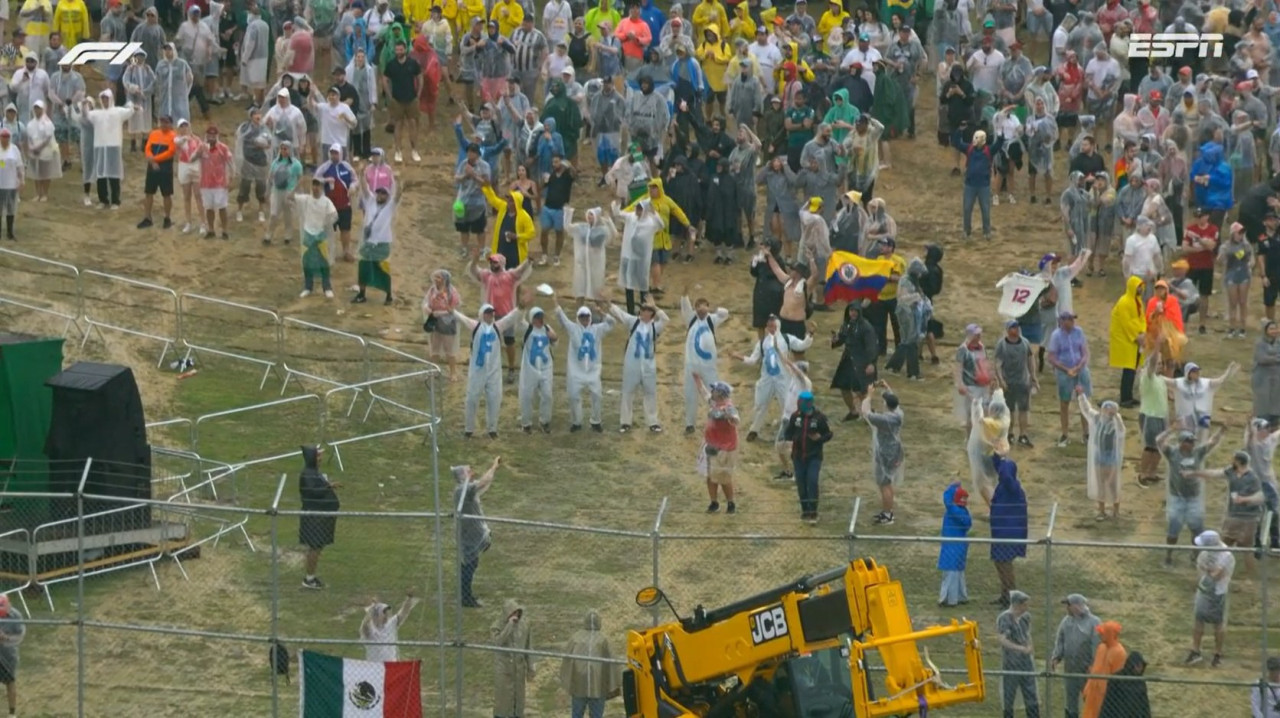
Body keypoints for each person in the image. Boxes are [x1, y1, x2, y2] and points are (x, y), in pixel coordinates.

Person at [1156, 426, 1225, 568]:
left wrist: (1221, 430)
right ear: (1182, 442)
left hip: (1194, 498)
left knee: (1197, 528)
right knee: (1174, 527)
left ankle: (1195, 555)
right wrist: (1171, 429)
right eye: (1189, 441)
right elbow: (1159, 441)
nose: (1192, 444)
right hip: (1177, 498)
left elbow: (1212, 442)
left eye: (1193, 441)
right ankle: (1168, 555)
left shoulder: (1197, 452)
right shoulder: (1172, 453)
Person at [454, 304, 523, 438]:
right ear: (481, 315)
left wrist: (520, 307)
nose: (490, 315)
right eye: (487, 313)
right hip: (477, 371)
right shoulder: (476, 327)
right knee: (472, 399)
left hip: (493, 372)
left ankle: (492, 429)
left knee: (494, 399)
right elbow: (463, 319)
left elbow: (510, 318)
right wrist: (452, 311)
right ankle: (469, 429)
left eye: (491, 313)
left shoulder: (498, 327)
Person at [609, 301, 670, 432]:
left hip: (648, 366)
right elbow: (619, 313)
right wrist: (607, 302)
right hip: (632, 364)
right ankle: (625, 422)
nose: (643, 312)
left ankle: (653, 422)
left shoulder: (655, 327)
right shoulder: (634, 322)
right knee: (628, 392)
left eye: (647, 310)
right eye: (642, 309)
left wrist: (655, 305)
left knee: (650, 393)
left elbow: (665, 319)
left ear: (651, 314)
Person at [452, 457, 501, 608]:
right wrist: (494, 466)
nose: (471, 472)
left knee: (471, 564)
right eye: (468, 471)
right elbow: (484, 482)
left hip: (471, 533)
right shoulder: (463, 489)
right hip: (469, 535)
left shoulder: (464, 489)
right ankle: (465, 598)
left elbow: (481, 484)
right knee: (469, 565)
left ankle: (466, 595)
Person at [1185, 529, 1235, 668]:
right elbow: (1201, 570)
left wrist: (1206, 569)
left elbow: (1216, 575)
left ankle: (1217, 653)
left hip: (1218, 593)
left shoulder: (1226, 555)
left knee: (1218, 624)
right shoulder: (1205, 552)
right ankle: (1195, 651)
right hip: (1204, 590)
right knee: (1198, 619)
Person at [682, 294, 730, 434]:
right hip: (691, 365)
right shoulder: (690, 319)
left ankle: (717, 419)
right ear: (695, 309)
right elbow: (685, 306)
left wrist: (711, 310)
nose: (701, 308)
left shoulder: (712, 320)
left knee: (714, 393)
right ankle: (690, 424)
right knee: (690, 395)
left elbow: (725, 313)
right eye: (698, 306)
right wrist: (685, 294)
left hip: (709, 366)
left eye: (704, 305)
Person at [784, 390, 833, 524]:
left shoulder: (819, 418)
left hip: (814, 457)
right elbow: (788, 433)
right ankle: (805, 510)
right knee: (801, 484)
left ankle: (813, 511)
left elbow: (828, 434)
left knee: (812, 481)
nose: (799, 404)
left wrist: (820, 438)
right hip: (798, 457)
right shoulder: (795, 417)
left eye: (801, 402)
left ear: (808, 403)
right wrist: (791, 439)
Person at [560, 610, 621, 718]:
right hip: (597, 685)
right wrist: (614, 682)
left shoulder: (576, 637)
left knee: (577, 714)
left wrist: (567, 680)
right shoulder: (603, 639)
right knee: (595, 715)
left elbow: (567, 660)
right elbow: (613, 662)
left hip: (579, 685)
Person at [1051, 594, 1102, 718]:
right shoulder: (1066, 621)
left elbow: (1097, 646)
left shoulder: (1094, 622)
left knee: (1090, 700)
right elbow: (1060, 640)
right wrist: (1056, 657)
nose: (1066, 608)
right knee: (1070, 701)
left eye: (1068, 605)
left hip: (1087, 670)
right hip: (1070, 669)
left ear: (1077, 606)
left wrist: (1094, 666)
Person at [353, 178, 402, 305]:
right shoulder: (370, 201)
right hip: (368, 241)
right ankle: (361, 294)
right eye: (378, 193)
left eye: (383, 193)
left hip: (382, 243)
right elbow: (364, 188)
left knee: (383, 270)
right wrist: (361, 173)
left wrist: (398, 182)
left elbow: (398, 195)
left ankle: (388, 295)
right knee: (363, 267)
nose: (380, 195)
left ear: (387, 195)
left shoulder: (390, 206)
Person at [695, 378, 740, 514]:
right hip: (712, 446)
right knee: (711, 476)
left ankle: (731, 504)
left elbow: (736, 419)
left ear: (720, 394)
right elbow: (704, 394)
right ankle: (714, 503)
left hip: (724, 450)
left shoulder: (728, 407)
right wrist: (697, 380)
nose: (711, 391)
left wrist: (729, 417)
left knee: (724, 478)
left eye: (714, 390)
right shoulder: (715, 403)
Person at [298, 445, 339, 590]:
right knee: (314, 548)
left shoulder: (313, 473)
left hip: (321, 518)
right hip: (315, 519)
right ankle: (309, 579)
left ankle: (311, 577)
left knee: (317, 548)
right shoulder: (308, 474)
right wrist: (329, 487)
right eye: (318, 456)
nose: (321, 459)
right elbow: (313, 493)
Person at [1047, 311, 1091, 447]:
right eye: (1070, 319)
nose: (1073, 322)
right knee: (1064, 403)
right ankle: (1065, 434)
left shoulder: (1079, 332)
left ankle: (1086, 433)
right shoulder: (1056, 336)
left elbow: (1084, 352)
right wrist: (1066, 369)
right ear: (1062, 321)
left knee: (1084, 402)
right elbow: (1052, 357)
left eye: (1073, 319)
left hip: (1080, 370)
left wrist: (1079, 366)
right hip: (1064, 372)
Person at [862, 381, 904, 525]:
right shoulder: (898, 414)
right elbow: (894, 400)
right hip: (894, 452)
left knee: (884, 484)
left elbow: (865, 412)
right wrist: (887, 387)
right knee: (888, 483)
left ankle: (887, 515)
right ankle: (888, 511)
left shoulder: (883, 419)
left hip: (885, 454)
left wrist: (869, 395)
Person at [1079, 395, 1125, 521]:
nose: (1106, 412)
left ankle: (1116, 510)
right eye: (1105, 409)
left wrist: (1115, 416)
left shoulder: (1116, 421)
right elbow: (1086, 409)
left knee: (1113, 485)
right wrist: (1081, 396)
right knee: (1100, 484)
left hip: (1111, 458)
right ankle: (1101, 510)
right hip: (1099, 457)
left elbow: (1121, 431)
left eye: (1109, 410)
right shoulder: (1097, 419)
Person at [831, 303, 879, 421]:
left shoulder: (866, 327)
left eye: (855, 311)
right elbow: (842, 338)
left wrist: (871, 363)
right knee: (844, 386)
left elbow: (872, 346)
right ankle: (853, 412)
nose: (853, 313)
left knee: (860, 390)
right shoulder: (847, 324)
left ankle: (869, 414)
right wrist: (836, 340)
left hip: (861, 361)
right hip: (847, 360)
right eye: (851, 311)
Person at [991, 454, 1028, 607]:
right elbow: (999, 467)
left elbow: (1005, 473)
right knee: (999, 563)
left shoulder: (1013, 488)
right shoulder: (1003, 486)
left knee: (1006, 564)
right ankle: (1004, 594)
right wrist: (996, 453)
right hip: (999, 531)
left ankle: (1011, 597)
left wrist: (1004, 461)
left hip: (1008, 533)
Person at [994, 320, 1038, 448]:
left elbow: (1030, 359)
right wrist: (1001, 380)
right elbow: (997, 364)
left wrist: (1033, 376)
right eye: (1013, 327)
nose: (1016, 329)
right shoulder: (1002, 345)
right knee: (1009, 410)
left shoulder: (1025, 342)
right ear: (1008, 330)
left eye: (1017, 327)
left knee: (1024, 409)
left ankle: (1023, 435)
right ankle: (1010, 434)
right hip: (1009, 382)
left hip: (1023, 381)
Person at [996, 590, 1039, 718]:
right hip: (1011, 663)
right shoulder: (1005, 618)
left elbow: (1027, 635)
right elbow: (1003, 640)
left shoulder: (1026, 617)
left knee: (1031, 692)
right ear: (1017, 604)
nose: (1026, 607)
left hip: (1026, 662)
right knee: (1009, 693)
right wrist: (1020, 648)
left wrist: (1030, 647)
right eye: (1024, 604)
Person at [295, 177, 339, 298]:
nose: (315, 187)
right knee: (307, 261)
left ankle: (327, 287)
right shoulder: (306, 199)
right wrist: (298, 184)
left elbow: (334, 215)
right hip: (308, 234)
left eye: (318, 185)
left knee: (323, 261)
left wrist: (325, 224)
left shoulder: (326, 201)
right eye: (313, 185)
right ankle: (308, 287)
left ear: (321, 187)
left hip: (320, 235)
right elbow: (290, 197)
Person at [492, 598, 535, 718]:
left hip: (519, 670)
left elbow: (528, 647)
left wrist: (531, 667)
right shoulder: (497, 626)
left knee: (518, 700)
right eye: (512, 613)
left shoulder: (525, 625)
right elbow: (498, 642)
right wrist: (509, 626)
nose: (515, 616)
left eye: (517, 613)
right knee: (503, 701)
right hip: (504, 670)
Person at [517, 307, 557, 433]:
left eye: (540, 316)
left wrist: (553, 337)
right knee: (527, 396)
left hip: (546, 368)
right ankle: (526, 423)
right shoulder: (527, 328)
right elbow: (518, 320)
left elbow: (555, 341)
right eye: (536, 316)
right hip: (530, 369)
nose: (539, 319)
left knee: (547, 395)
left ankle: (544, 421)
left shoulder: (547, 328)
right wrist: (522, 306)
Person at [1109, 276, 1146, 407]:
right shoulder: (1124, 302)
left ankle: (1129, 396)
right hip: (1125, 339)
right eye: (1138, 287)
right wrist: (1137, 336)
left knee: (1133, 368)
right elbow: (1126, 323)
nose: (1140, 289)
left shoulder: (1138, 302)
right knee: (1128, 370)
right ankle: (1125, 398)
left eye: (1141, 286)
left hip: (1134, 339)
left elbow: (1141, 319)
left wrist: (1142, 332)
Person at [423, 270, 463, 380]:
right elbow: (426, 301)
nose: (436, 279)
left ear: (444, 279)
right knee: (434, 348)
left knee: (450, 350)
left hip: (448, 323)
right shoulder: (432, 290)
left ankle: (453, 373)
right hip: (434, 322)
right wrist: (427, 308)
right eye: (435, 277)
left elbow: (454, 308)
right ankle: (434, 370)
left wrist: (441, 313)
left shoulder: (451, 292)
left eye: (439, 277)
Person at [1082, 621, 1127, 718]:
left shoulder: (1120, 652)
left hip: (1106, 696)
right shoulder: (1101, 647)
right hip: (1093, 692)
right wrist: (1087, 688)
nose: (1100, 634)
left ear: (1110, 634)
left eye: (1103, 633)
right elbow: (1094, 669)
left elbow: (1118, 678)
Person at [937, 482, 971, 607]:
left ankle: (949, 599)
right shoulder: (964, 512)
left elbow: (946, 498)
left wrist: (952, 487)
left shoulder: (952, 509)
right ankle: (962, 596)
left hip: (951, 545)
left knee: (950, 572)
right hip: (960, 545)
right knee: (958, 572)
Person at [197, 124, 233, 239]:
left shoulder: (223, 148)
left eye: (214, 135)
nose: (211, 137)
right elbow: (192, 159)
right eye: (209, 135)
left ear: (217, 136)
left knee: (222, 207)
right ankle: (211, 229)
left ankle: (225, 230)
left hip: (220, 183)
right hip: (206, 183)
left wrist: (231, 179)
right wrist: (200, 151)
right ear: (206, 136)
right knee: (209, 207)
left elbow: (230, 163)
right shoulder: (202, 148)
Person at [955, 323, 993, 430]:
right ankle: (970, 439)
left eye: (979, 333)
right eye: (976, 334)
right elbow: (959, 367)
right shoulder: (963, 349)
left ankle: (982, 437)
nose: (979, 336)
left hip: (984, 384)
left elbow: (985, 363)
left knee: (985, 411)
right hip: (971, 385)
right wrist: (960, 384)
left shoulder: (981, 347)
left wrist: (990, 377)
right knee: (972, 414)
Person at [359, 593, 418, 661]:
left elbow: (403, 613)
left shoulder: (390, 624)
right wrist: (372, 609)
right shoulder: (370, 628)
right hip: (375, 666)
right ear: (376, 614)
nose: (386, 615)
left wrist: (409, 599)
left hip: (391, 666)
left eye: (387, 612)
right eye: (383, 612)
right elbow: (365, 626)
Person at [0, 594, 23, 718]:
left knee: (10, 682)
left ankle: (12, 713)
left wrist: (6, 638)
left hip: (8, 655)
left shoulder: (16, 616)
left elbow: (19, 637)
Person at [1254, 322, 1280, 424]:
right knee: (1263, 402)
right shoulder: (1260, 343)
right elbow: (1261, 359)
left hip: (1277, 378)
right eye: (1271, 329)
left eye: (1275, 328)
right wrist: (1277, 358)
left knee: (1276, 401)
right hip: (1262, 378)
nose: (1274, 331)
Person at [0, 130, 21, 241]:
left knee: (10, 209)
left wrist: (21, 180)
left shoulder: (14, 149)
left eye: (7, 137)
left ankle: (9, 232)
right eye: (3, 137)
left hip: (11, 184)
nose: (5, 139)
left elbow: (19, 166)